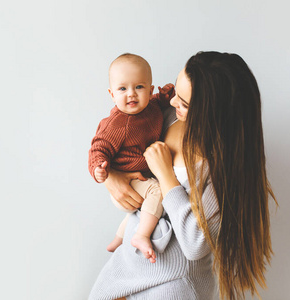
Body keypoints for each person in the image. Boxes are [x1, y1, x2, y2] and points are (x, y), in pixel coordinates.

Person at [89, 51, 277, 300]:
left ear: (213, 113)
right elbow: (112, 143)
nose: (174, 102)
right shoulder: (165, 117)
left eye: (185, 103)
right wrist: (110, 176)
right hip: (127, 268)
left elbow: (195, 243)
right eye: (176, 92)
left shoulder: (219, 166)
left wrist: (166, 175)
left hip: (173, 284)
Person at [88, 53, 175, 263]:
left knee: (145, 209)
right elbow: (99, 146)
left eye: (139, 87)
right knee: (158, 191)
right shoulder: (118, 124)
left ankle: (119, 239)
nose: (131, 95)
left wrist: (169, 92)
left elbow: (161, 100)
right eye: (122, 89)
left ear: (150, 89)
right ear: (112, 94)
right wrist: (99, 168)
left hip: (138, 181)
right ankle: (141, 236)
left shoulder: (151, 106)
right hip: (129, 182)